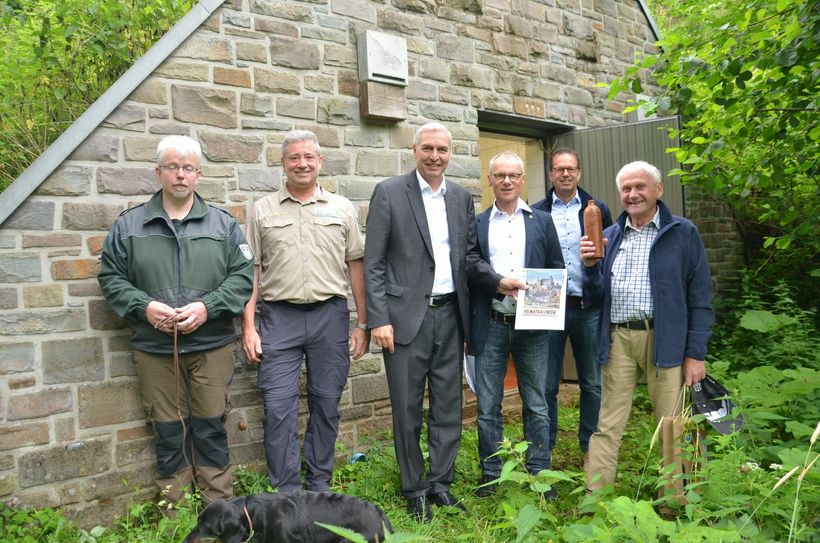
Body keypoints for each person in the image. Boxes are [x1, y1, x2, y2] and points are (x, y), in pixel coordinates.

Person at [364, 122, 524, 522]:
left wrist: (499, 281)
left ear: (451, 154)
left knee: (449, 406)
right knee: (406, 407)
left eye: (442, 150)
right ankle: (414, 488)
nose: (435, 156)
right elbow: (374, 262)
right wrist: (378, 319)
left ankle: (440, 484)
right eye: (428, 149)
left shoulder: (459, 197)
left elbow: (469, 257)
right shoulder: (389, 192)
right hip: (403, 320)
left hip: (451, 315)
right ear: (415, 150)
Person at [98, 135, 254, 505]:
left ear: (198, 175)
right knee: (168, 431)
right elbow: (111, 277)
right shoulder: (130, 225)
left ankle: (219, 511)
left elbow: (243, 276)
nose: (180, 175)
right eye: (172, 167)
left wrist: (208, 307)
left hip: (211, 346)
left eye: (188, 168)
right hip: (154, 349)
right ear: (159, 172)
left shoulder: (223, 225)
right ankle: (176, 513)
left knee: (212, 426)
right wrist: (143, 306)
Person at [242, 130, 368, 493]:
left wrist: (362, 322)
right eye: (294, 158)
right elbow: (251, 270)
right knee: (278, 409)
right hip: (278, 318)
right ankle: (286, 494)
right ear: (283, 164)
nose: (302, 163)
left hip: (330, 316)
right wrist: (249, 327)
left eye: (309, 157)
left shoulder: (342, 208)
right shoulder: (262, 210)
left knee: (326, 403)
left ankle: (318, 487)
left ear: (320, 162)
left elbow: (355, 265)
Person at [580, 161, 713, 493]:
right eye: (626, 188)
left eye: (640, 186)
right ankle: (595, 499)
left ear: (658, 190)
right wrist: (590, 268)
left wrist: (695, 354)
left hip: (665, 339)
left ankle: (677, 501)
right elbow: (595, 297)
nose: (632, 194)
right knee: (607, 424)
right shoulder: (608, 236)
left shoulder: (683, 233)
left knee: (671, 425)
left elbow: (701, 297)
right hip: (618, 338)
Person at [469, 152, 565, 498]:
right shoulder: (478, 223)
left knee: (537, 402)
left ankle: (539, 473)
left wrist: (548, 304)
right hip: (492, 323)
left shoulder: (542, 221)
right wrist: (497, 281)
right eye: (500, 175)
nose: (507, 181)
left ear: (522, 179)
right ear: (490, 180)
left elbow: (555, 268)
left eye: (513, 175)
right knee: (487, 405)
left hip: (534, 326)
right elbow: (471, 266)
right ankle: (492, 473)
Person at [532, 148, 613, 465]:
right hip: (548, 305)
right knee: (547, 383)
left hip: (587, 304)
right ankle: (545, 446)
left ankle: (590, 447)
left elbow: (607, 251)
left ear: (579, 173)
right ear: (551, 174)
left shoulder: (597, 208)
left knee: (592, 382)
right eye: (559, 169)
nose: (565, 174)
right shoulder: (537, 211)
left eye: (571, 169)